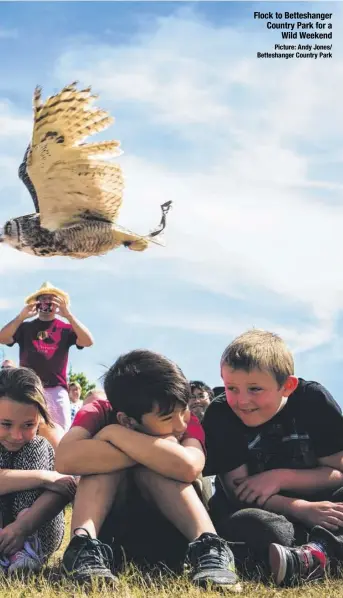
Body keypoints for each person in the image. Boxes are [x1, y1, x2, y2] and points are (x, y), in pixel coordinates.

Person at [55, 350, 241, 591]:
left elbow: (188, 466)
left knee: (154, 465)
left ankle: (209, 547)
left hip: (175, 532)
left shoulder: (183, 417)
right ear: (127, 419)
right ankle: (83, 546)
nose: (180, 423)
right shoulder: (99, 411)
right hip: (113, 538)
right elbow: (66, 459)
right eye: (167, 418)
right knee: (100, 466)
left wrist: (114, 435)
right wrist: (155, 450)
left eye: (183, 411)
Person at [203, 329, 343, 587]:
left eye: (255, 389)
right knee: (256, 525)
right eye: (231, 388)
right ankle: (317, 552)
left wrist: (280, 477)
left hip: (322, 503)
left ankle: (317, 553)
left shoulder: (313, 400)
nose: (242, 400)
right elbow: (239, 493)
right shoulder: (221, 414)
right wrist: (298, 508)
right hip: (268, 511)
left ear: (287, 386)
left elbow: (338, 473)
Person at [0, 367, 76, 575]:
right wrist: (43, 477)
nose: (16, 435)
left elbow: (67, 485)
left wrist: (22, 527)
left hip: (36, 528)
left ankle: (27, 551)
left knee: (38, 445)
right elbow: (52, 480)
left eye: (28, 424)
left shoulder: (49, 433)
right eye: (5, 424)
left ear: (40, 418)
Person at [0, 282, 94, 448]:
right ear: (36, 304)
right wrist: (21, 316)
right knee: (27, 431)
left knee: (61, 433)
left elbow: (88, 341)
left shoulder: (65, 328)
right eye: (41, 300)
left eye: (51, 300)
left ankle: (63, 467)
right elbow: (3, 337)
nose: (46, 304)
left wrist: (68, 315)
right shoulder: (25, 327)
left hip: (56, 389)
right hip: (28, 389)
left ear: (58, 304)